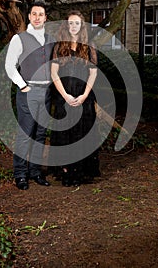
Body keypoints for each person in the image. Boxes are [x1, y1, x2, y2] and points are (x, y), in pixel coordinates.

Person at [5, 2, 54, 190]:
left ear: (45, 17)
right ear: (29, 17)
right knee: (25, 133)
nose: (37, 17)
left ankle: (35, 172)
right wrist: (23, 85)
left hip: (46, 92)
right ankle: (20, 174)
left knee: (40, 134)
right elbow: (10, 65)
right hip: (28, 91)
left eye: (41, 14)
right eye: (34, 14)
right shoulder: (20, 39)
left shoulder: (50, 40)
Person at [50, 10, 100, 187]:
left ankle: (80, 171)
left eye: (77, 23)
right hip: (64, 97)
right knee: (65, 134)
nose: (73, 26)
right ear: (66, 25)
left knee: (82, 134)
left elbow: (93, 73)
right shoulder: (59, 46)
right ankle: (66, 170)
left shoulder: (89, 46)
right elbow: (54, 73)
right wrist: (65, 96)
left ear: (82, 25)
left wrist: (84, 95)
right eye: (70, 23)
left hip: (83, 97)